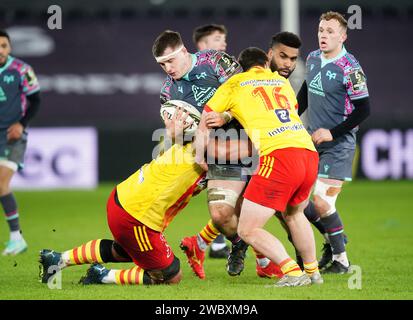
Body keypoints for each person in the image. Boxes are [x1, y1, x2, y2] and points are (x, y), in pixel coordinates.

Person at [154, 30, 282, 280]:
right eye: (161, 64)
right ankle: (241, 244)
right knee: (221, 214)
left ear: (183, 52)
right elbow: (185, 138)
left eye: (170, 61)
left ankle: (317, 258)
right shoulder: (168, 95)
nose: (167, 68)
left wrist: (226, 115)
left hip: (254, 139)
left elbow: (249, 89)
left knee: (281, 212)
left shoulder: (214, 61)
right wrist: (175, 134)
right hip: (221, 153)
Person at [195, 47, 323, 286]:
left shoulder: (235, 83)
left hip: (278, 156)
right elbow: (286, 111)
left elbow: (206, 119)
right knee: (294, 214)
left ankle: (293, 272)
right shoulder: (280, 82)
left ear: (242, 67)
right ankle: (313, 271)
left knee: (247, 229)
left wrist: (199, 154)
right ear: (266, 63)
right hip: (307, 153)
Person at [39, 112, 207, 286]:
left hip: (121, 199)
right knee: (171, 275)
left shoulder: (187, 143)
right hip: (137, 217)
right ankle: (102, 275)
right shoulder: (208, 149)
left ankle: (58, 259)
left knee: (126, 250)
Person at [297, 11, 370, 273]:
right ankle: (333, 239)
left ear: (343, 35)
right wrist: (293, 117)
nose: (323, 35)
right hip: (311, 142)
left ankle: (341, 259)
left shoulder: (351, 68)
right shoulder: (314, 58)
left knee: (322, 201)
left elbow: (363, 109)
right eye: (320, 30)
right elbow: (306, 90)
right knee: (298, 201)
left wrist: (332, 132)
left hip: (339, 144)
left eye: (330, 31)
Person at [191, 24, 230, 260]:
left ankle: (213, 244)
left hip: (221, 138)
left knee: (226, 194)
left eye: (224, 39)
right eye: (218, 39)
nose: (224, 43)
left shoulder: (223, 68)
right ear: (202, 45)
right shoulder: (196, 71)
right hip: (204, 140)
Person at [0, 29, 41, 255]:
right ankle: (16, 238)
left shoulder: (21, 70)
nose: (0, 50)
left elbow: (36, 100)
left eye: (3, 46)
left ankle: (17, 238)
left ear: (10, 48)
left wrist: (21, 125)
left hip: (12, 136)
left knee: (1, 184)